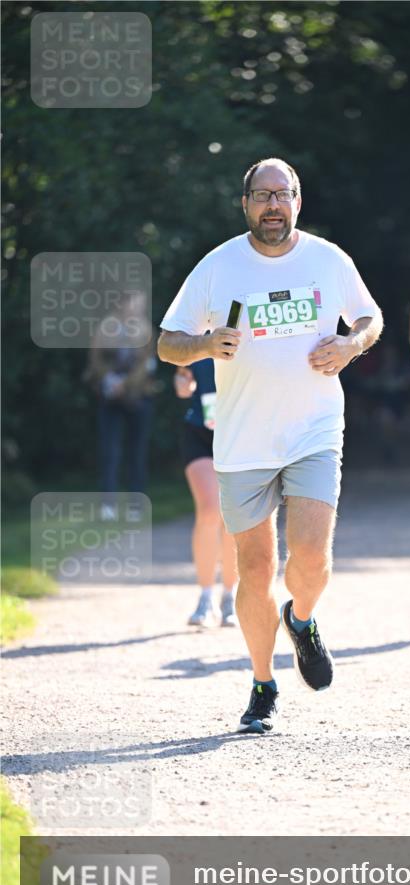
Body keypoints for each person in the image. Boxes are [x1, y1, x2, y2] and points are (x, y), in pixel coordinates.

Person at [158, 157, 383, 733]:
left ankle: (301, 619)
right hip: (242, 440)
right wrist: (206, 343)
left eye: (282, 195)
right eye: (262, 196)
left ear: (298, 201)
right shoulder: (218, 266)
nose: (273, 206)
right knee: (253, 570)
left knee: (309, 559)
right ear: (246, 204)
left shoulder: (328, 260)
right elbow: (167, 344)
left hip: (312, 430)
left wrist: (350, 346)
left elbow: (369, 317)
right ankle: (262, 684)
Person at [173, 359, 239, 627]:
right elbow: (182, 383)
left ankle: (230, 594)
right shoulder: (195, 329)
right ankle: (205, 595)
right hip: (200, 432)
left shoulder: (243, 325)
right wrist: (182, 383)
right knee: (210, 509)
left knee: (231, 516)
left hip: (238, 433)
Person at [85, 291, 159, 519]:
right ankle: (108, 505)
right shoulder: (106, 327)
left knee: (137, 452)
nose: (135, 306)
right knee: (110, 451)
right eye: (131, 301)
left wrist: (125, 384)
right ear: (120, 302)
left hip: (139, 396)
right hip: (109, 396)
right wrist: (109, 381)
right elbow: (95, 358)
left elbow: (148, 362)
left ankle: (135, 505)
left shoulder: (146, 328)